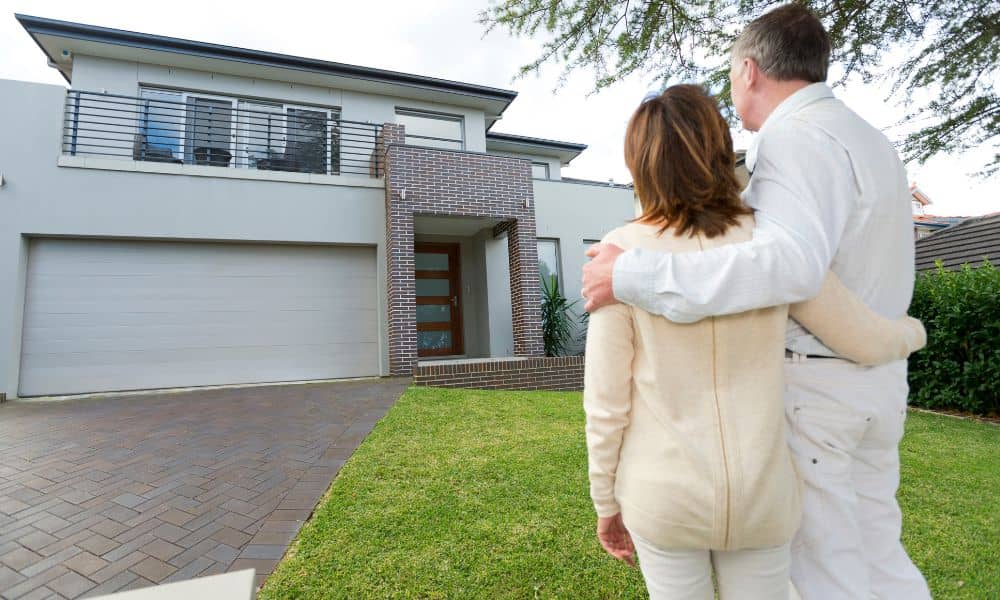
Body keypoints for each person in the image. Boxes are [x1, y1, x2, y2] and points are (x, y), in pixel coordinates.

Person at [582, 5, 931, 599]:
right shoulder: (852, 158)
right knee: (881, 555)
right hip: (782, 479)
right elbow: (841, 311)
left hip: (675, 490)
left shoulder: (622, 257)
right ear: (720, 150)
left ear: (749, 70)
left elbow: (606, 406)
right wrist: (908, 336)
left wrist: (605, 501)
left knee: (834, 578)